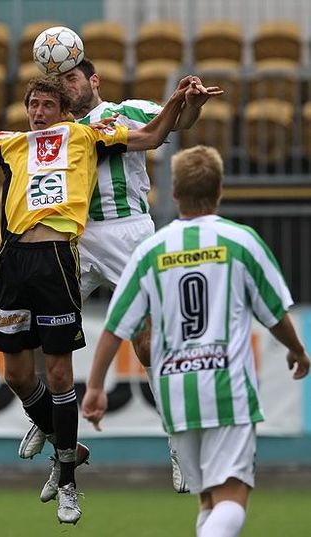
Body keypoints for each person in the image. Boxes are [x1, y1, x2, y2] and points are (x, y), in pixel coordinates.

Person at [0, 72, 219, 525]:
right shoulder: (13, 143)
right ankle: (52, 428)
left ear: (66, 108)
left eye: (47, 104)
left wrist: (180, 99)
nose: (38, 112)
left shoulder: (87, 134)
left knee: (99, 357)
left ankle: (84, 470)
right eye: (33, 105)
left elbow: (157, 133)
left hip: (71, 249)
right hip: (17, 258)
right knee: (18, 375)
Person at [82, 145, 310, 537]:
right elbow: (275, 313)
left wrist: (96, 386)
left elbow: (116, 326)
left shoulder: (151, 250)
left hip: (175, 389)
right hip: (227, 386)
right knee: (232, 498)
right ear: (220, 190)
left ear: (173, 194)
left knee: (207, 500)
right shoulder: (241, 240)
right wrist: (298, 350)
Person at [22, 57, 220, 493]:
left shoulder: (127, 110)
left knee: (147, 340)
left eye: (73, 77)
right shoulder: (54, 130)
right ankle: (48, 421)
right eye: (61, 81)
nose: (68, 86)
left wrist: (192, 103)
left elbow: (176, 125)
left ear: (93, 80)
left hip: (127, 231)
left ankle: (178, 443)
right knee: (40, 334)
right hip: (73, 235)